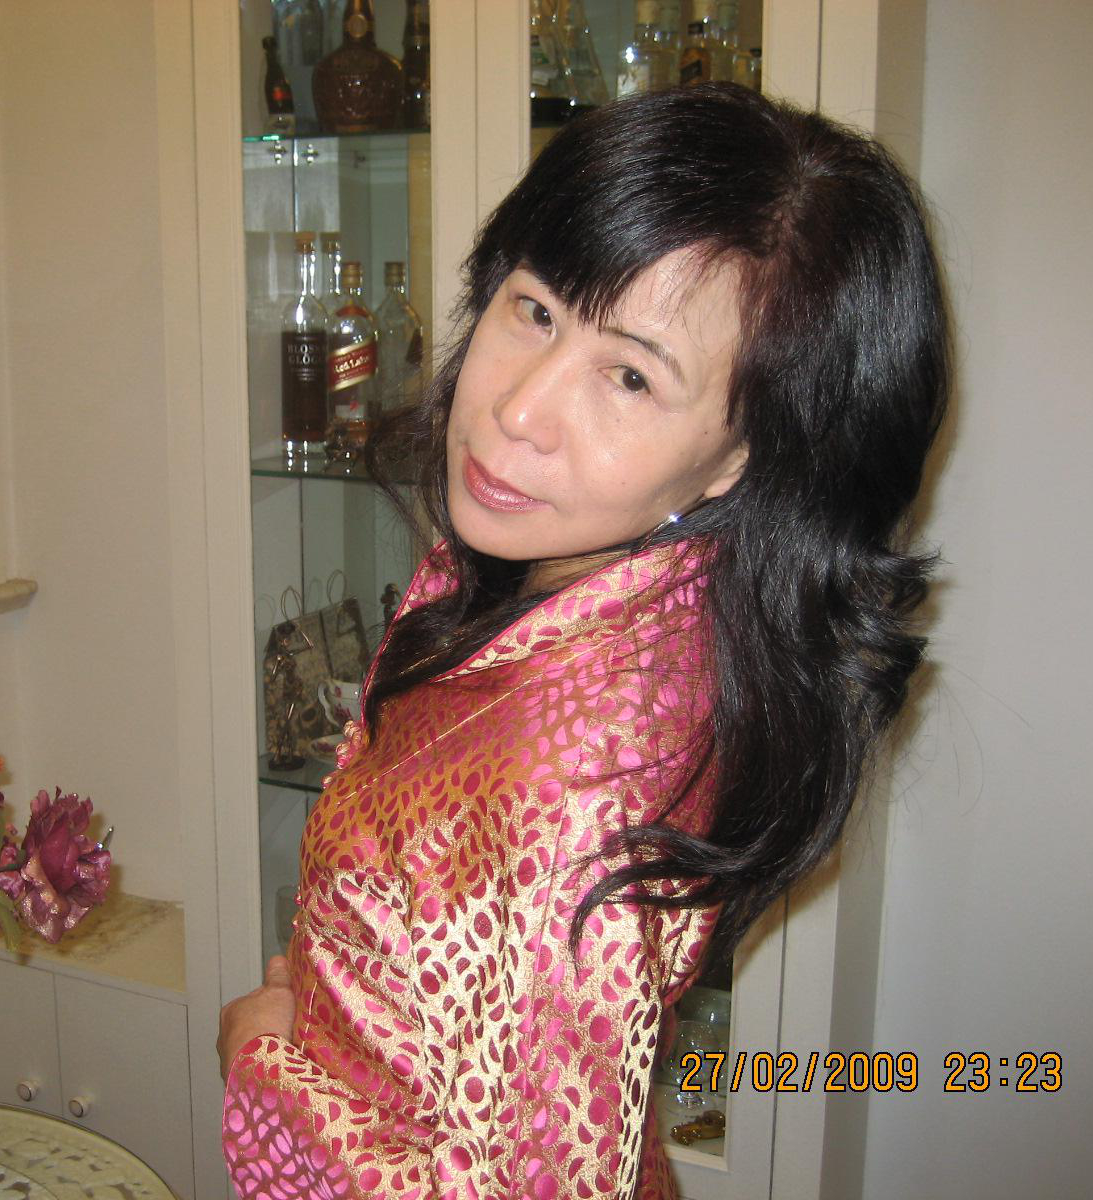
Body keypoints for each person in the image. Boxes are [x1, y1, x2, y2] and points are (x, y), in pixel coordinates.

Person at [220, 84, 949, 1200]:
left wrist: (264, 1066)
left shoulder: (569, 799)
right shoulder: (632, 597)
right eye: (536, 310)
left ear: (742, 458)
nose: (518, 408)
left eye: (631, 376)